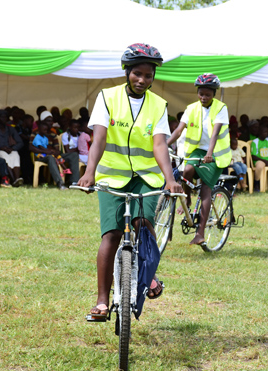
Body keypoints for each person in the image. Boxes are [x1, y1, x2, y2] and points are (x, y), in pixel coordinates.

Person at [78, 43, 182, 318]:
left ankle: (148, 274)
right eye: (137, 73)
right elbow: (98, 138)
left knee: (143, 225)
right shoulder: (107, 97)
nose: (142, 80)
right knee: (111, 235)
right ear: (126, 71)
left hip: (146, 177)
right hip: (112, 176)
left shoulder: (158, 105)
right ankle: (102, 301)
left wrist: (170, 180)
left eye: (149, 76)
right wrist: (89, 173)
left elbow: (160, 145)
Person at [167, 73, 231, 244]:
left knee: (204, 191)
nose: (203, 97)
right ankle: (187, 201)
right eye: (201, 93)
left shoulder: (220, 108)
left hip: (215, 154)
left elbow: (215, 133)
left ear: (214, 94)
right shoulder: (191, 108)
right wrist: (164, 144)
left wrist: (210, 153)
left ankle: (200, 233)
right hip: (197, 151)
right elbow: (179, 130)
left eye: (207, 94)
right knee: (187, 170)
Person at [30, 118, 79, 189]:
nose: (50, 123)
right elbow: (31, 147)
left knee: (74, 155)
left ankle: (74, 182)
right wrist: (47, 151)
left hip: (54, 155)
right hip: (42, 156)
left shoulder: (53, 134)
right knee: (50, 157)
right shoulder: (35, 133)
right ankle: (60, 183)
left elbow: (58, 150)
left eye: (51, 121)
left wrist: (53, 152)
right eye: (48, 121)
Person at [0, 109, 24, 187]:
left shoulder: (10, 129)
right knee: (4, 157)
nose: (4, 119)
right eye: (2, 117)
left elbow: (20, 142)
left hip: (10, 150)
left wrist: (12, 148)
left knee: (15, 155)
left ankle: (17, 179)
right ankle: (13, 180)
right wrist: (1, 147)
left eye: (6, 117)